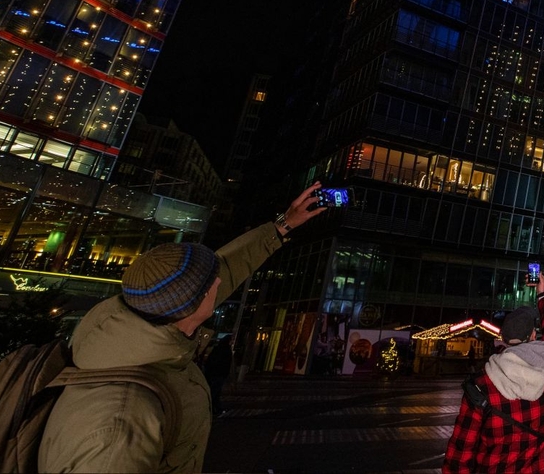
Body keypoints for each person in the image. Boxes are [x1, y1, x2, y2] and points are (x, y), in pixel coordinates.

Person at [37, 183, 329, 473]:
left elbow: (226, 266)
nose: (219, 282)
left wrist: (283, 224)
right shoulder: (118, 424)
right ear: (194, 301)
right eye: (212, 282)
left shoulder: (147, 326)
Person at [444, 274, 544, 474]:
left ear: (504, 339)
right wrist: (542, 293)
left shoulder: (481, 386)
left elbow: (459, 455)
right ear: (533, 336)